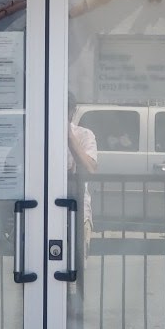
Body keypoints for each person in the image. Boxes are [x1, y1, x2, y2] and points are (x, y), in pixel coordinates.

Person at [67, 91, 98, 277]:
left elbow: (90, 168)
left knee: (75, 270)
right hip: (44, 213)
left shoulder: (84, 135)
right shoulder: (36, 135)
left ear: (72, 111)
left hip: (78, 212)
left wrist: (69, 137)